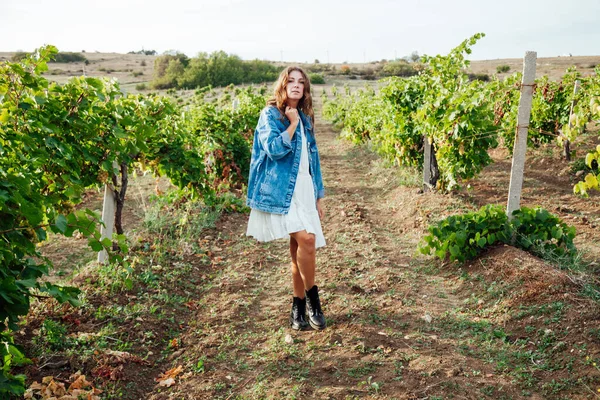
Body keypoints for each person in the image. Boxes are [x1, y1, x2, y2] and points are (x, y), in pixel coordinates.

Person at [246, 66, 326, 331]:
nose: (296, 85)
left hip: (304, 188)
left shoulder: (305, 117)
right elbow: (273, 149)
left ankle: (297, 307)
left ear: (305, 89)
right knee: (307, 239)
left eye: (301, 82)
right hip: (283, 190)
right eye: (290, 81)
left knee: (297, 253)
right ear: (282, 85)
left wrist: (318, 195)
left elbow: (312, 159)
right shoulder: (270, 115)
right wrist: (291, 124)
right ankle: (314, 299)